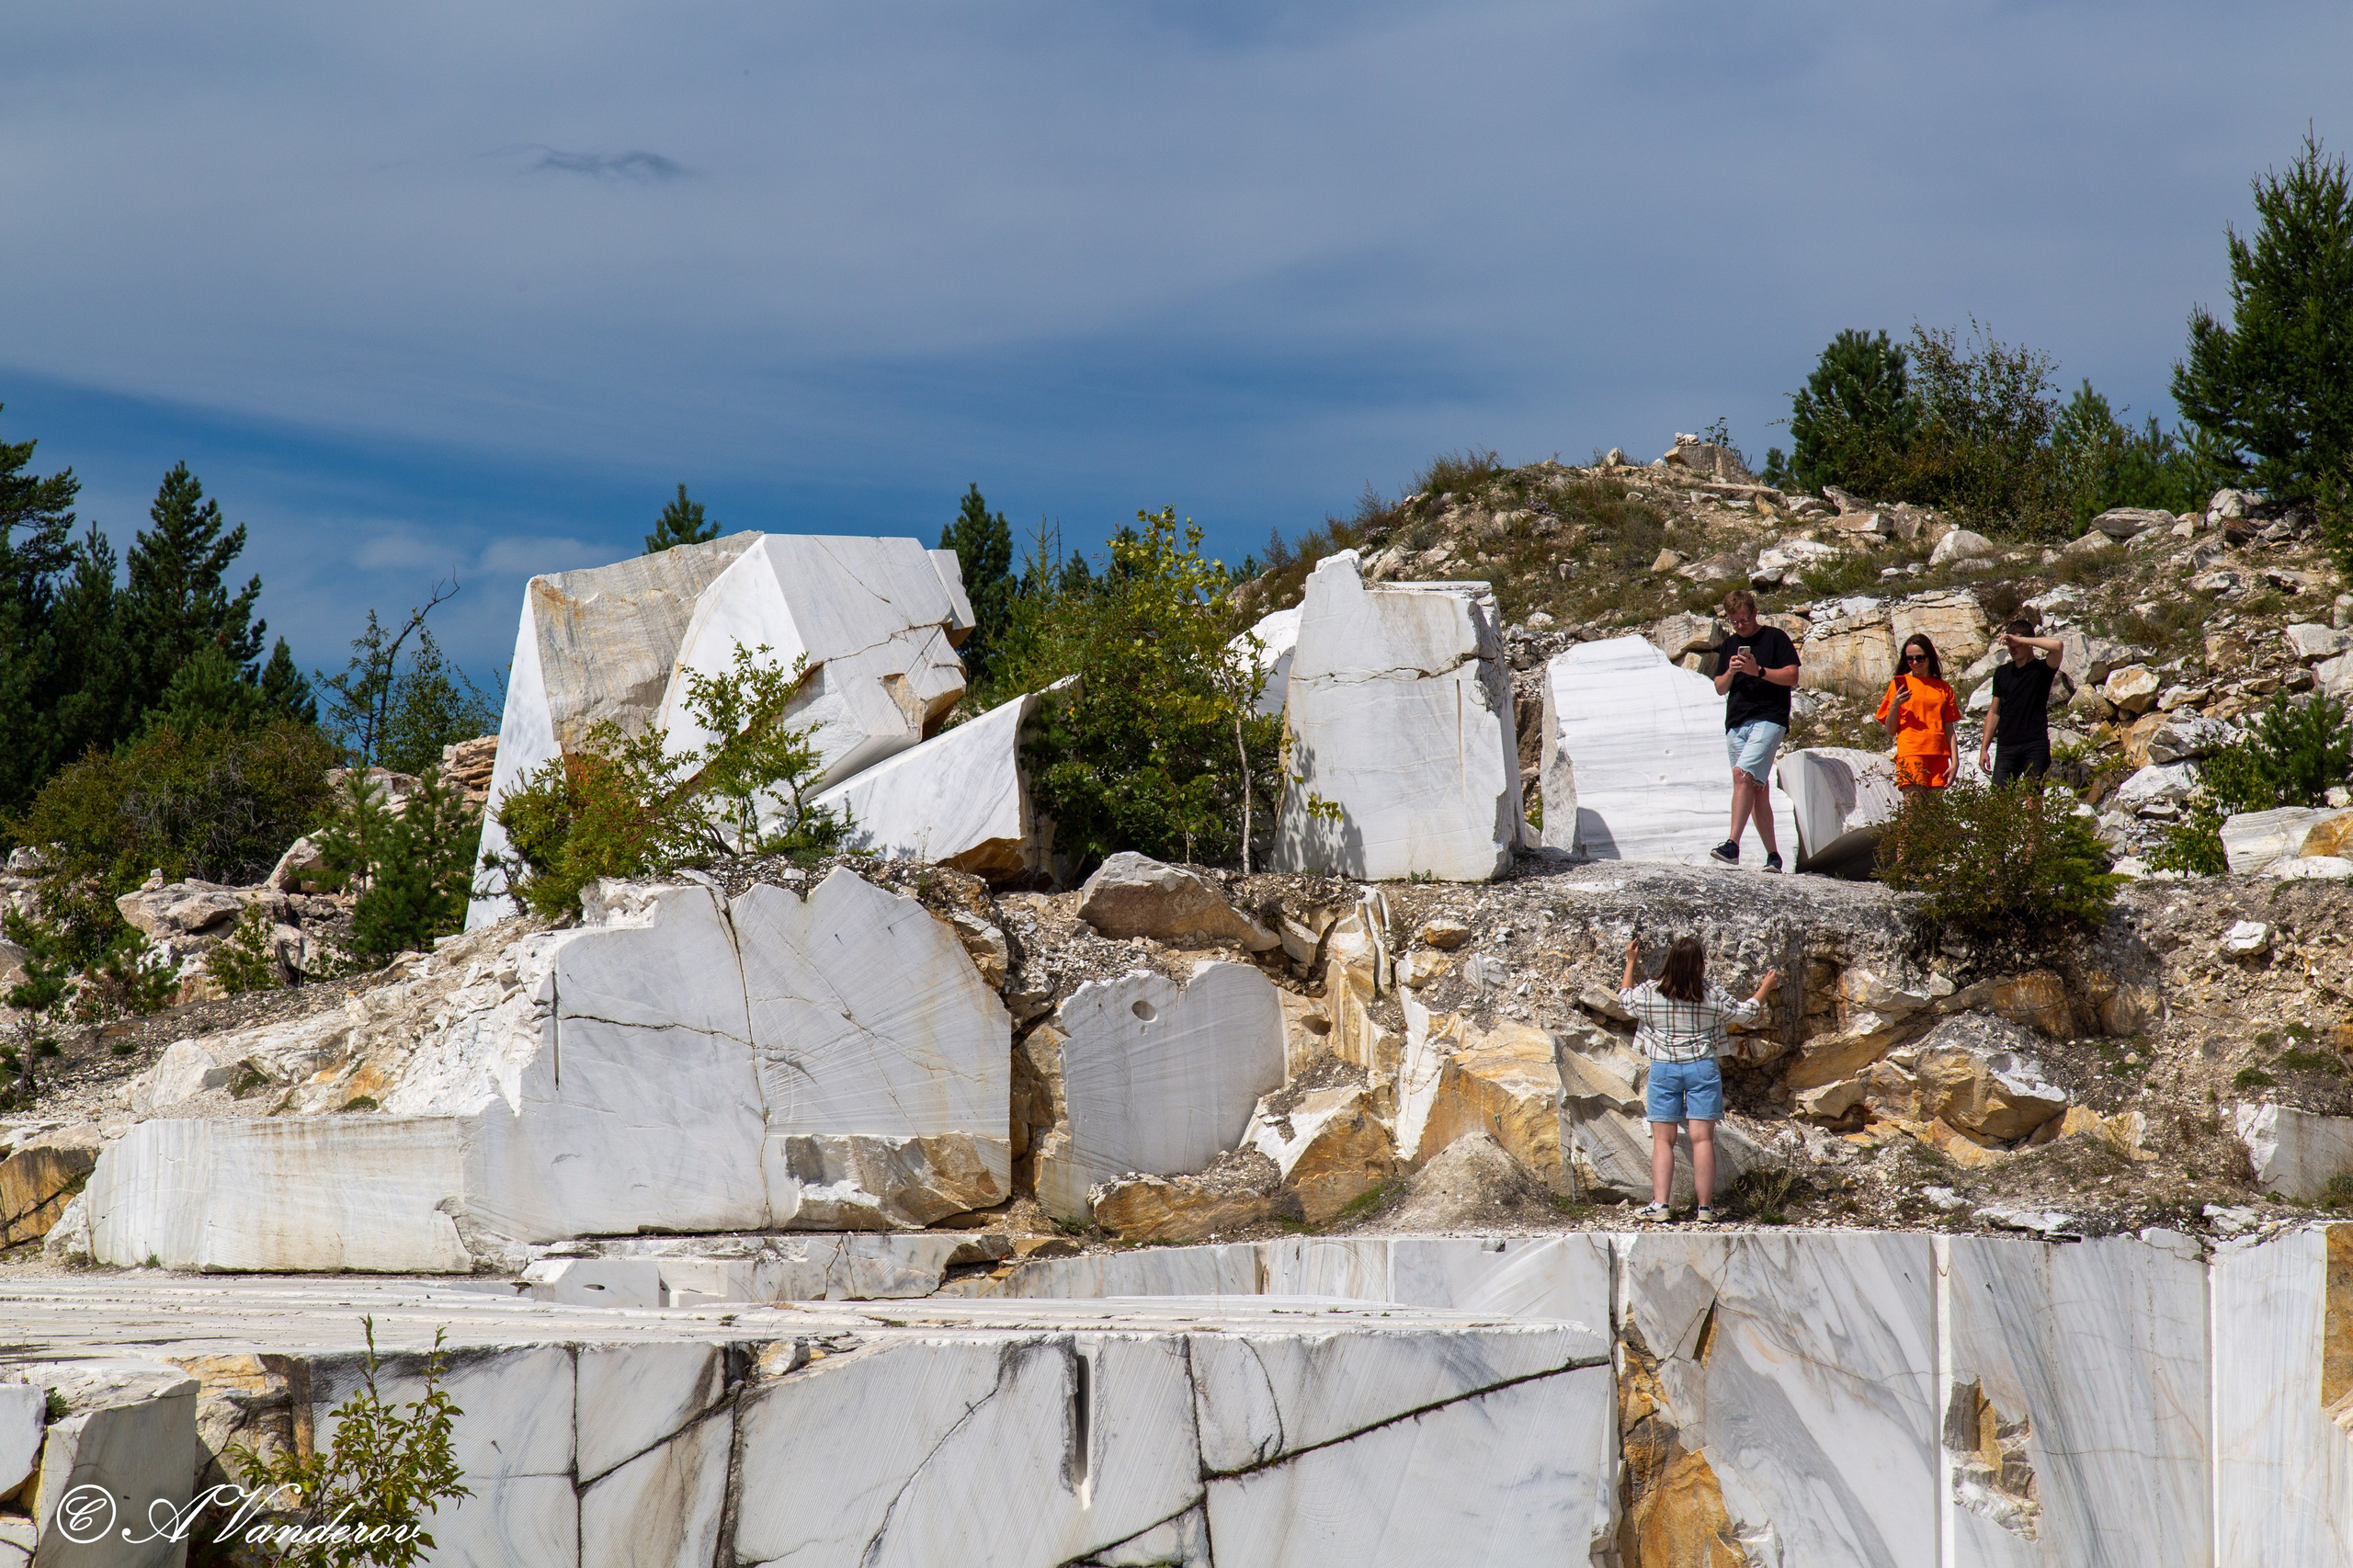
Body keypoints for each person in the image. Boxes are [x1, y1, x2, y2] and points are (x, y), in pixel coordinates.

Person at [1620, 935, 1779, 1222]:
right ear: (1700, 966)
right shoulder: (1711, 994)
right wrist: (1765, 988)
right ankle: (1705, 1209)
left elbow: (1625, 1000)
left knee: (1663, 1141)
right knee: (1703, 1139)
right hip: (1701, 1067)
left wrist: (1631, 962)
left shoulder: (1651, 992)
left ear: (1669, 963)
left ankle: (1660, 1206)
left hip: (1664, 1067)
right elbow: (1746, 1014)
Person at [1709, 589, 1801, 871]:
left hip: (1769, 718)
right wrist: (1734, 671)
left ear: (1755, 613)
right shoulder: (1729, 646)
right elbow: (1719, 687)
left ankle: (1732, 845)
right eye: (1734, 621)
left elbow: (1792, 676)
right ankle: (1773, 855)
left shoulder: (1775, 638)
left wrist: (1758, 670)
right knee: (1756, 788)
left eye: (1744, 620)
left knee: (1741, 775)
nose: (1740, 626)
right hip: (1736, 722)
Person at [1978, 618, 2069, 785]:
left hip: (2035, 744)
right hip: (2006, 746)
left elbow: (2057, 646)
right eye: (2010, 645)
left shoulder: (2042, 669)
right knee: (1998, 801)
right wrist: (1984, 748)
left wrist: (2021, 639)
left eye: (2017, 644)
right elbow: (1994, 711)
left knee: (2032, 798)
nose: (2013, 649)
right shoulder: (2002, 672)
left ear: (2028, 642)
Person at [1874, 633, 1960, 796]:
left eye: (1920, 658)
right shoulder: (1900, 684)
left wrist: (1955, 762)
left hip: (1938, 754)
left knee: (1935, 814)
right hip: (1912, 751)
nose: (1915, 663)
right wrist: (1895, 705)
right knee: (1914, 813)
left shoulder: (1943, 687)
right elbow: (1890, 730)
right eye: (1910, 659)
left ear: (1929, 657)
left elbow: (1949, 728)